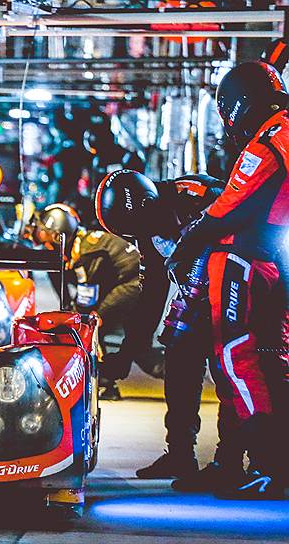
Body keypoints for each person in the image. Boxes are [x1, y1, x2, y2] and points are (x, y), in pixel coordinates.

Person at [166, 60, 289, 499]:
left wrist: (186, 244)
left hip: (244, 262)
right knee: (260, 362)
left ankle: (269, 466)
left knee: (237, 360)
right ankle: (234, 463)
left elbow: (230, 205)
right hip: (270, 261)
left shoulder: (271, 136)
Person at [96, 169, 235, 483]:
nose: (141, 236)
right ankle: (180, 455)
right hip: (196, 295)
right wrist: (127, 354)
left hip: (234, 287)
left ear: (148, 204)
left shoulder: (198, 193)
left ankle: (229, 463)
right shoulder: (145, 230)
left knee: (230, 373)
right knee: (179, 360)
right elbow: (151, 294)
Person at [29, 203, 141, 400]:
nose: (40, 238)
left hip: (134, 282)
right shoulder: (80, 244)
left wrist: (71, 315)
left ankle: (105, 382)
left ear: (58, 234)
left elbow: (86, 301)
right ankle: (107, 378)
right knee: (140, 347)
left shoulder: (86, 253)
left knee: (89, 323)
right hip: (132, 280)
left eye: (43, 233)